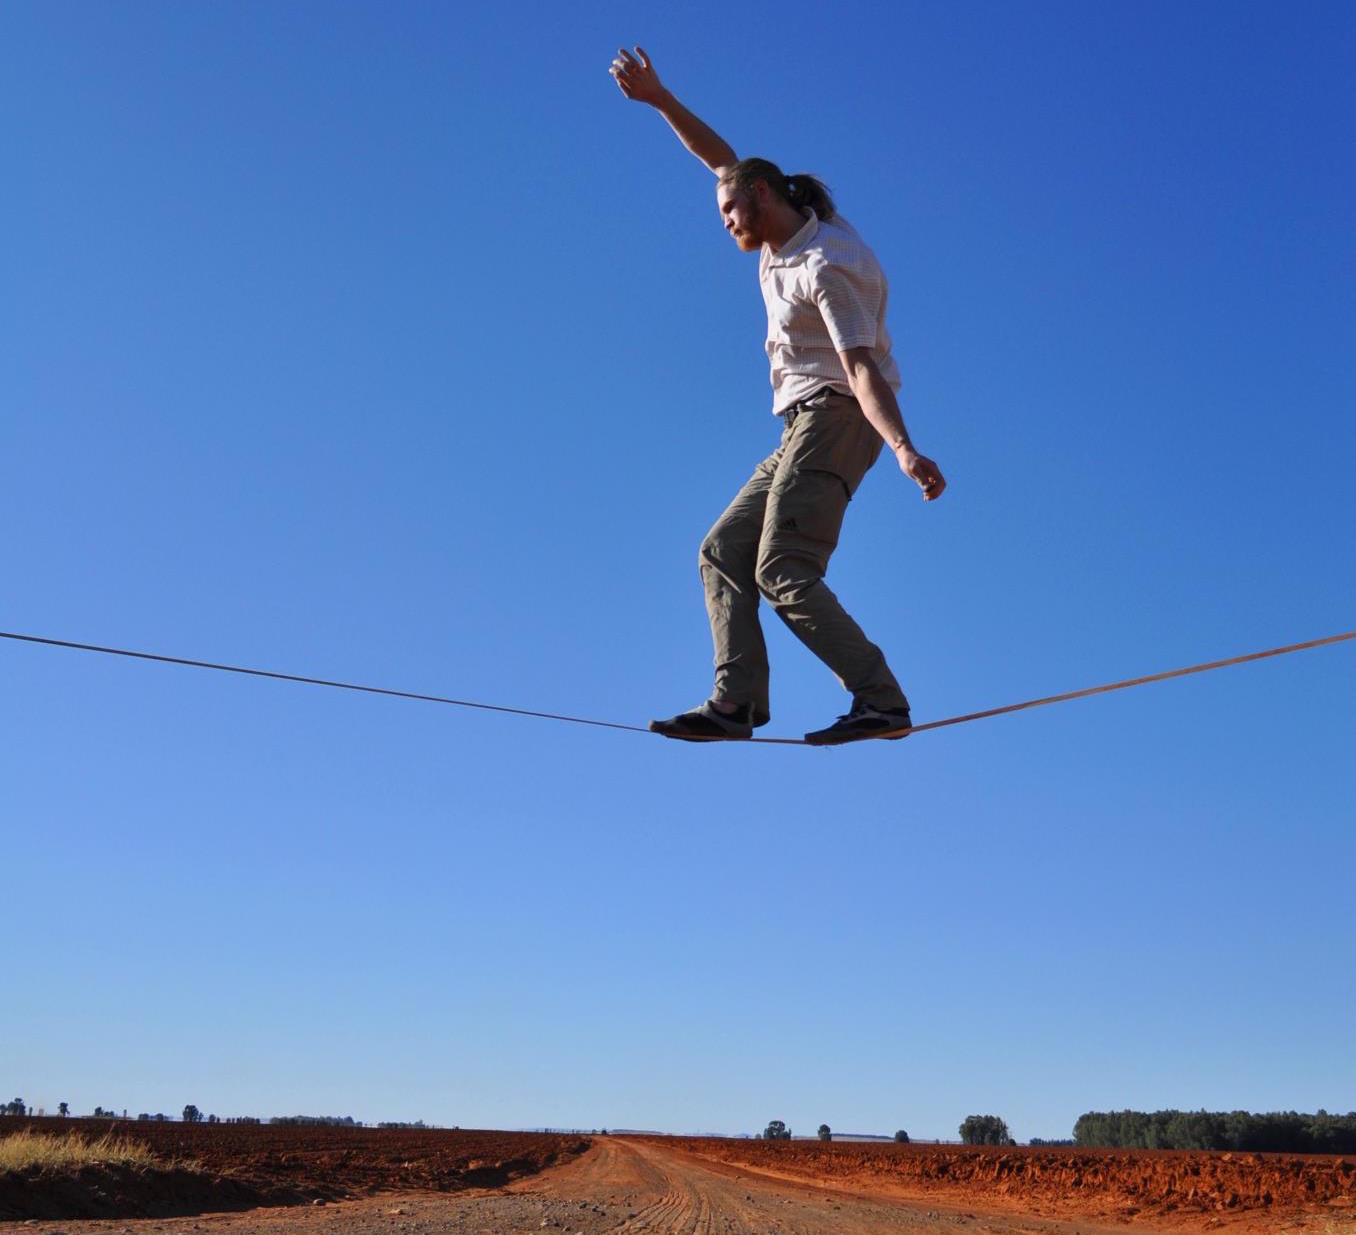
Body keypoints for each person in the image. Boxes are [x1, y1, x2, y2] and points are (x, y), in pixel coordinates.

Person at [611, 47, 946, 746]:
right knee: (722, 549)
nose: (727, 222)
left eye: (732, 209)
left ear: (764, 197)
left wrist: (905, 448)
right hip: (802, 425)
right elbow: (723, 158)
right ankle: (737, 704)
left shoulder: (826, 266)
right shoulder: (781, 233)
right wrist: (661, 99)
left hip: (841, 415)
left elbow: (860, 368)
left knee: (783, 567)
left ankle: (881, 699)